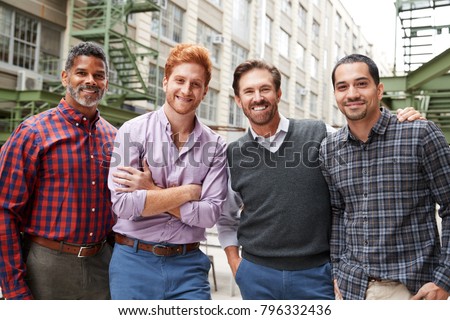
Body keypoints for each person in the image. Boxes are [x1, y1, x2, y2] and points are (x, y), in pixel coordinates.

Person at [216, 59, 423, 300]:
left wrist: (401, 123)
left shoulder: (319, 133)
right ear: (238, 100)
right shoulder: (234, 153)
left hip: (317, 274)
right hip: (256, 275)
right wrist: (235, 263)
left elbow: (362, 141)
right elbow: (226, 216)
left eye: (265, 89)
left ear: (278, 93)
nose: (258, 97)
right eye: (249, 91)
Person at [319, 54, 450, 300]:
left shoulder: (419, 134)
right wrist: (336, 269)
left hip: (411, 289)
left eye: (361, 84)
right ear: (335, 94)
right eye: (342, 87)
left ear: (379, 90)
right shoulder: (329, 149)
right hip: (352, 288)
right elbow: (338, 213)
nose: (352, 94)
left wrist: (445, 278)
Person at [107, 43, 228, 300]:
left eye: (195, 84)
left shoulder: (216, 146)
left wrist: (151, 192)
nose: (186, 90)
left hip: (189, 267)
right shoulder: (131, 132)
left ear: (205, 91)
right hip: (133, 264)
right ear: (165, 82)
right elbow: (124, 205)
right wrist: (189, 192)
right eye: (180, 80)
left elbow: (209, 215)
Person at [0, 41, 117, 299]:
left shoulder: (114, 138)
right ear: (65, 77)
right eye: (82, 73)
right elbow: (4, 212)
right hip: (46, 266)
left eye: (99, 75)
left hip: (101, 266)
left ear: (106, 83)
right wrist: (14, 289)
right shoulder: (32, 133)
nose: (91, 81)